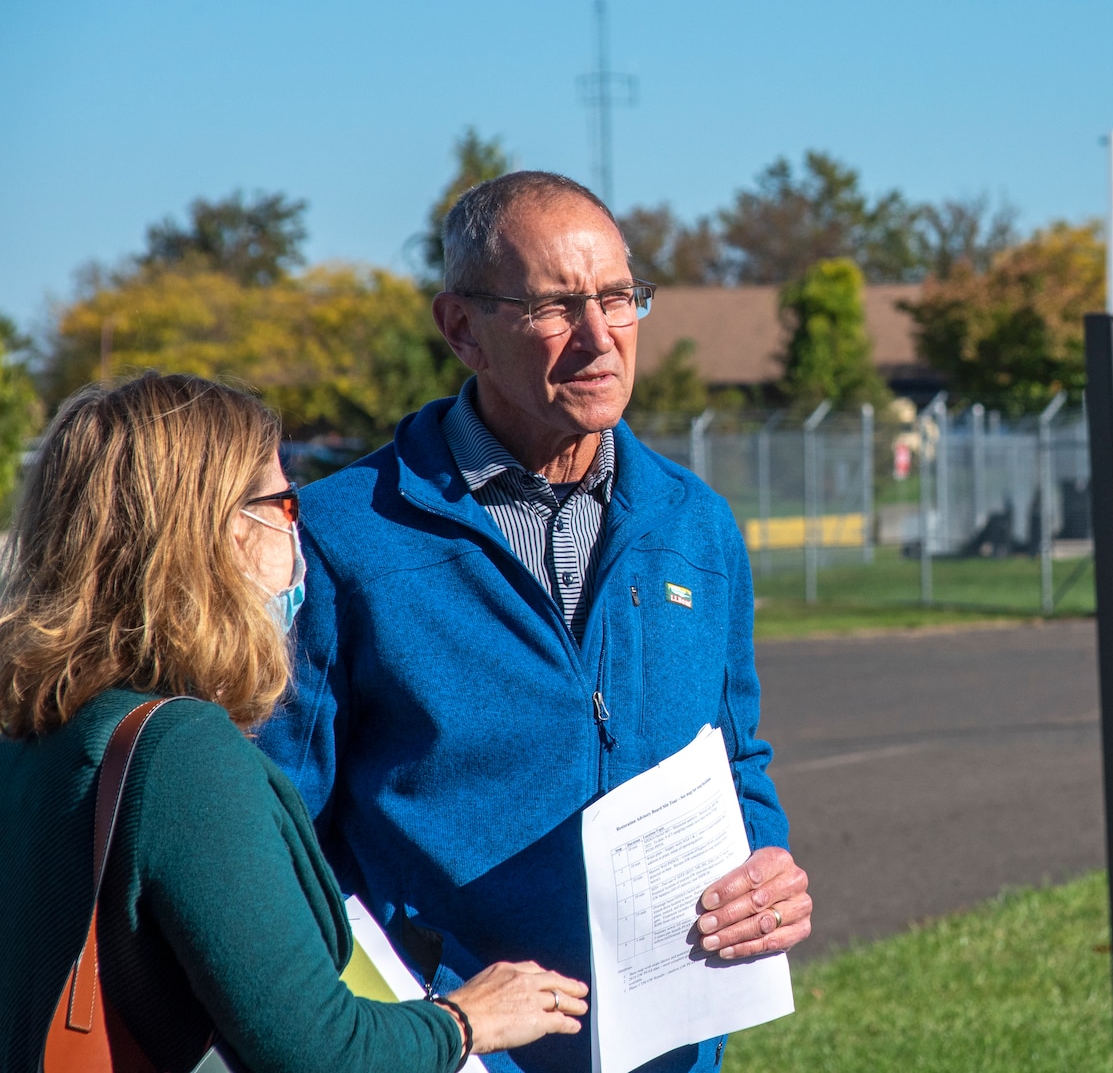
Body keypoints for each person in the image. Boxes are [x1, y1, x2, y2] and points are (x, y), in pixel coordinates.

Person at [256, 172, 812, 1073]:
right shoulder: (336, 538)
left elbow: (736, 757)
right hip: (450, 1051)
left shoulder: (696, 527)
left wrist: (767, 864)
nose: (600, 337)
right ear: (462, 328)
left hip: (672, 1052)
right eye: (555, 306)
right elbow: (276, 830)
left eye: (619, 298)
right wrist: (413, 1026)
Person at [0, 372, 588, 1073]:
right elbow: (317, 1049)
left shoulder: (41, 731)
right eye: (283, 504)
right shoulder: (184, 754)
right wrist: (467, 1019)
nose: (298, 529)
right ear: (214, 535)